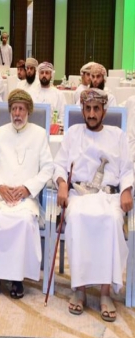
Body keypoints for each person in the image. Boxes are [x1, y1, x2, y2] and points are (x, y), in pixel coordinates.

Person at [54, 89, 133, 322]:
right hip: (79, 196)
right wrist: (61, 184)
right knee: (77, 219)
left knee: (112, 220)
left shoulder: (118, 135)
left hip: (108, 197)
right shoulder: (72, 133)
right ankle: (79, 289)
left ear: (104, 111)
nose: (91, 114)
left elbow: (127, 169)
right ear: (82, 110)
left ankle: (105, 292)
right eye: (87, 109)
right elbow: (59, 165)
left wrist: (126, 190)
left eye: (96, 109)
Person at [0, 89, 53, 298]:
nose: (17, 114)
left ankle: (17, 278)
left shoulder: (39, 134)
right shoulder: (0, 133)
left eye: (21, 109)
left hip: (26, 197)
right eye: (14, 109)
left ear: (28, 111)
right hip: (0, 195)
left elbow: (48, 168)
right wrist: (0, 187)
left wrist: (27, 188)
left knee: (23, 221)